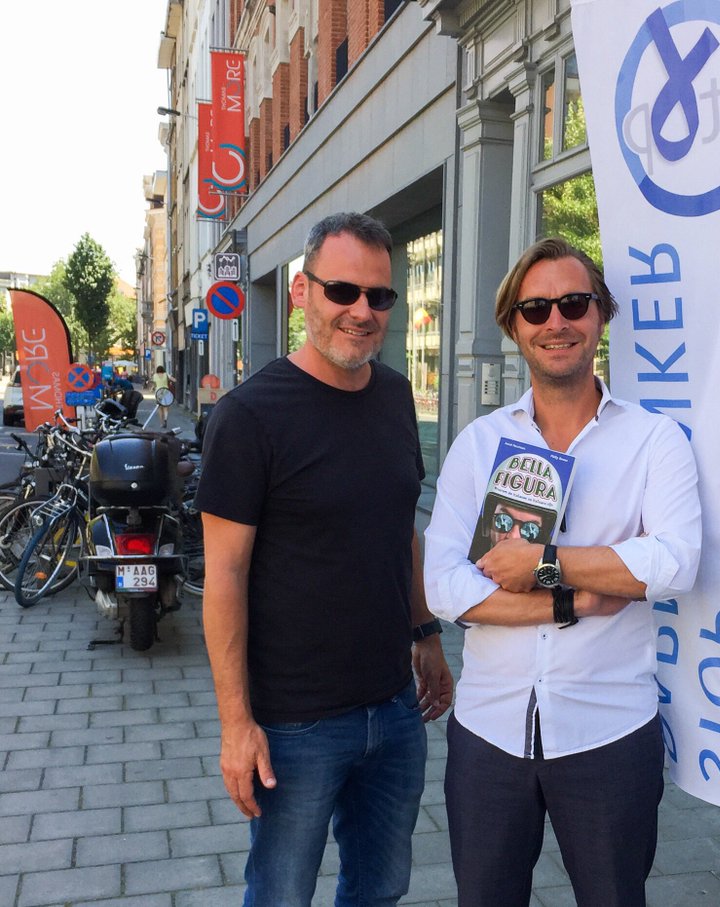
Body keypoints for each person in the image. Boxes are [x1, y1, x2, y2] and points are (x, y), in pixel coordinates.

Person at [424, 237, 702, 907]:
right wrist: (573, 597)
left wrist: (544, 564)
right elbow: (443, 585)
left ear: (601, 313)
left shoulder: (653, 439)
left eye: (574, 303)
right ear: (513, 325)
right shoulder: (480, 443)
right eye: (536, 308)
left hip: (609, 730)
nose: (556, 322)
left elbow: (674, 562)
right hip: (489, 732)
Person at [196, 212, 454, 906]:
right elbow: (224, 577)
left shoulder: (396, 395)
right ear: (301, 291)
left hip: (394, 708)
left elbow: (401, 530)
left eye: (380, 295)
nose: (362, 311)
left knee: (380, 889)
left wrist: (426, 633)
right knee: (281, 895)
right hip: (293, 723)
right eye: (342, 291)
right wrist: (235, 725)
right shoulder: (249, 416)